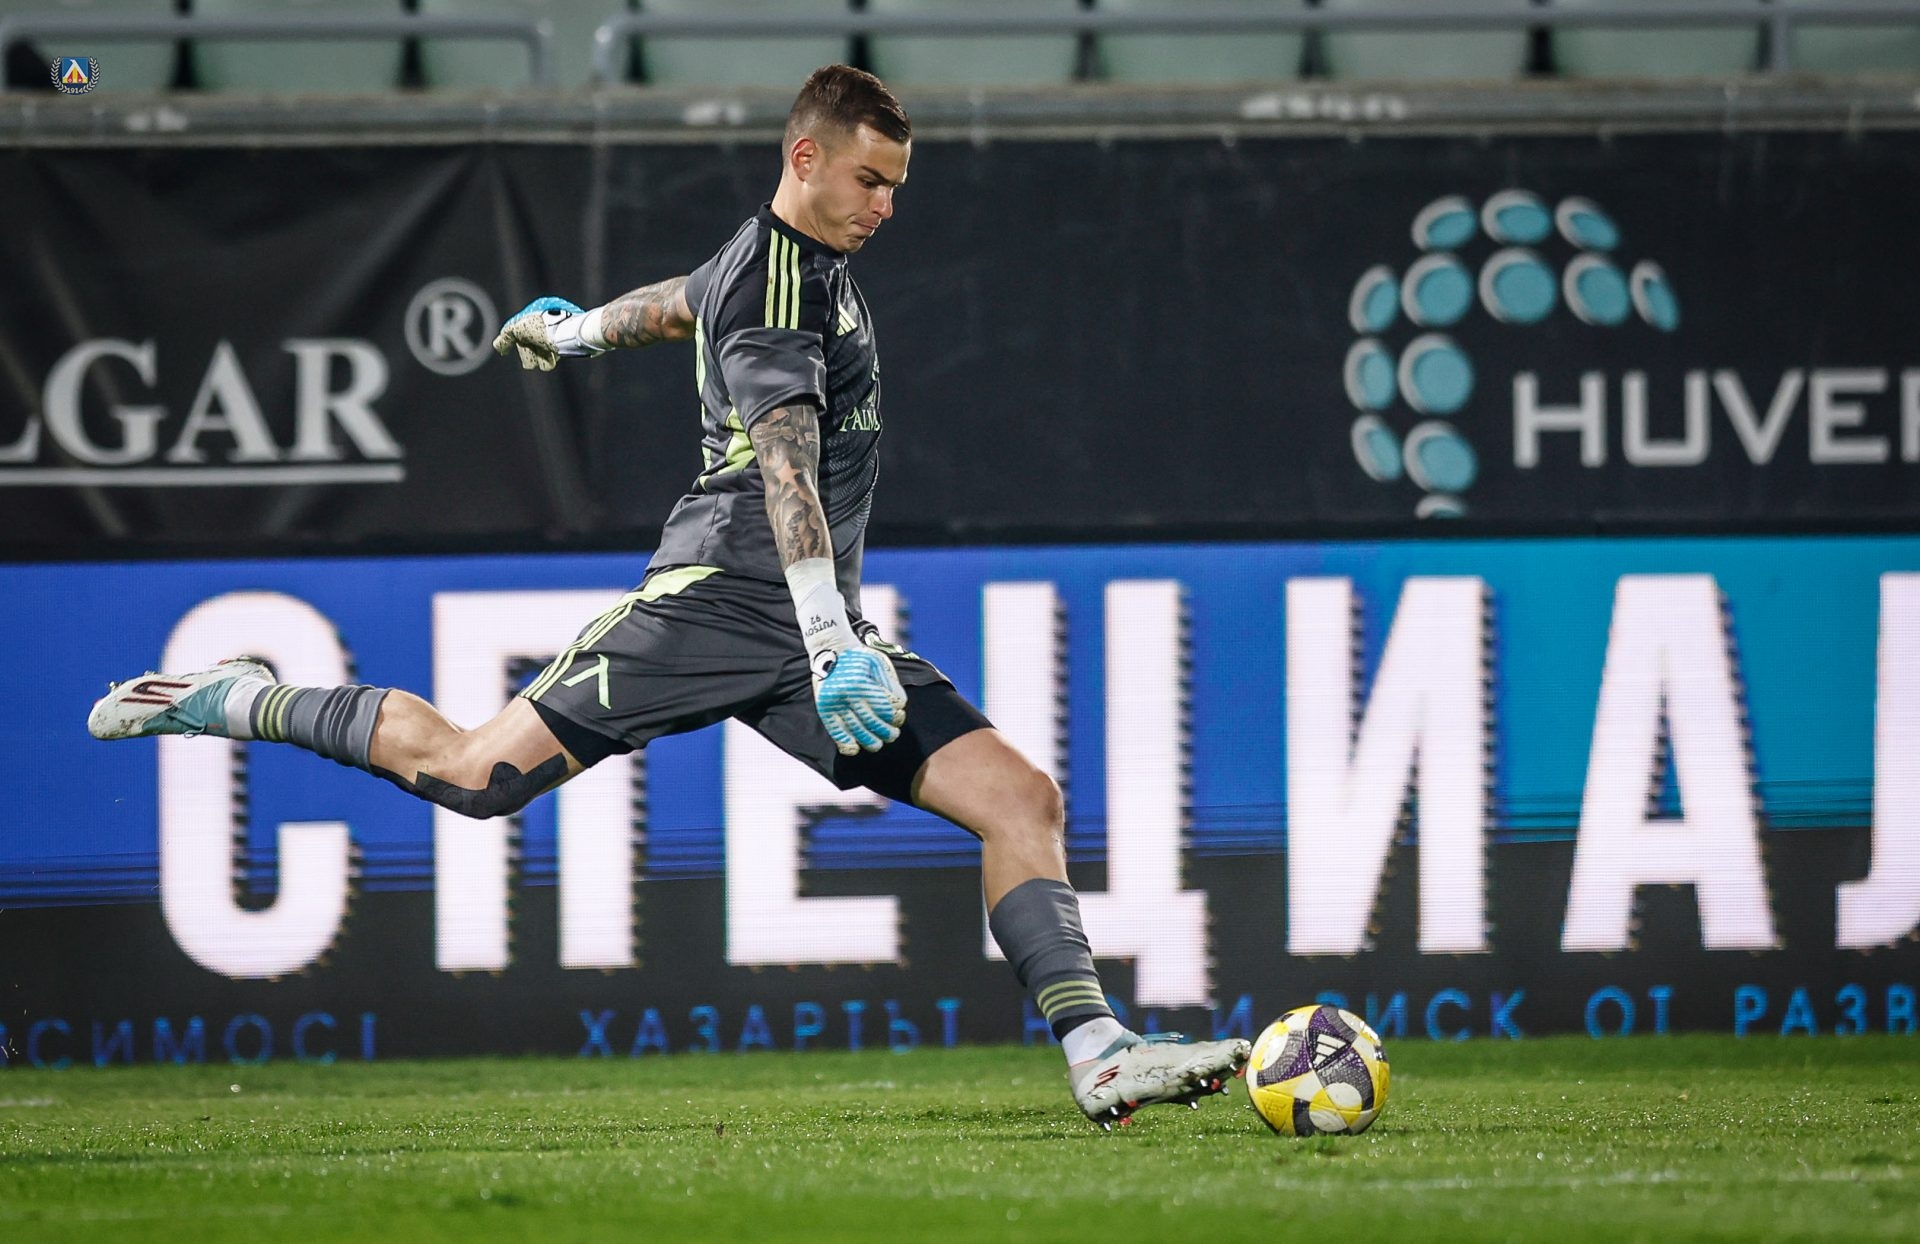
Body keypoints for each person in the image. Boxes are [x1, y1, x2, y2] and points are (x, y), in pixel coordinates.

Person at [88, 64, 1246, 1127]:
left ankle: (1097, 1049)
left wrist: (578, 333)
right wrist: (832, 636)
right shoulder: (777, 288)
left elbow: (685, 299)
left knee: (1020, 798)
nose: (887, 204)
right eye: (870, 179)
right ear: (805, 157)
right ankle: (231, 695)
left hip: (804, 629)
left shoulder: (780, 260)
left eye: (897, 184)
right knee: (473, 775)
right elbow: (785, 460)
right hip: (719, 601)